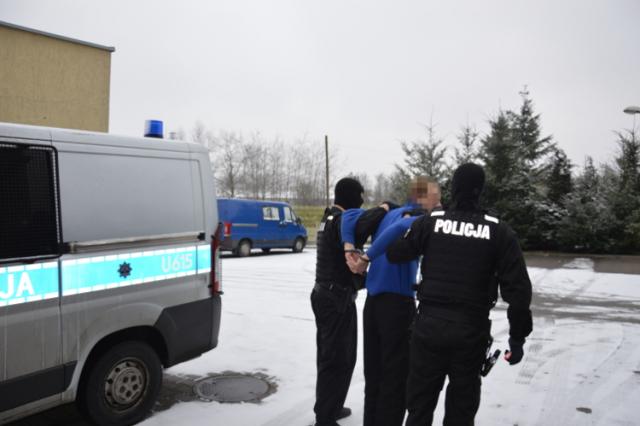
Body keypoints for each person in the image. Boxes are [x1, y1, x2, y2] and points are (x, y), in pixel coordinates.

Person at [366, 163, 533, 425]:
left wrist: (411, 224)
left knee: (419, 408)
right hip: (470, 333)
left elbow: (396, 253)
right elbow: (519, 290)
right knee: (461, 411)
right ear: (480, 191)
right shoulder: (499, 231)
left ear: (453, 188)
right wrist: (517, 339)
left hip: (428, 328)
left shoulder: (431, 222)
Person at [341, 176, 441, 426]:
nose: (439, 202)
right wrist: (366, 258)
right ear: (425, 197)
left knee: (374, 373)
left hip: (373, 304)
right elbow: (399, 230)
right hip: (397, 305)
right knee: (395, 378)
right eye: (436, 196)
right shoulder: (417, 218)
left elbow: (348, 217)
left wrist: (348, 245)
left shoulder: (388, 213)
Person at [311, 177, 391, 426]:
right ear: (351, 197)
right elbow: (365, 223)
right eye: (360, 196)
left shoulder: (329, 217)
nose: (362, 201)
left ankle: (330, 407)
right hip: (335, 298)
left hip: (327, 294)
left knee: (334, 356)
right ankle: (325, 418)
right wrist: (385, 208)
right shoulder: (340, 220)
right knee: (336, 359)